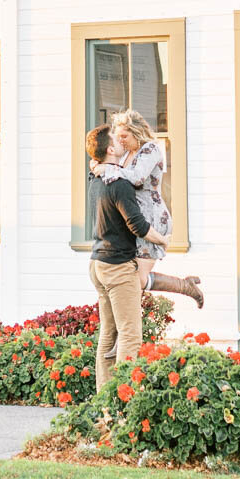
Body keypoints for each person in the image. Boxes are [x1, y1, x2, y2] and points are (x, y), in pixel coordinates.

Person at [85, 124, 170, 387]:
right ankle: (124, 401)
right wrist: (163, 239)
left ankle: (105, 402)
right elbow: (138, 226)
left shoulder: (98, 179)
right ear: (110, 149)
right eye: (117, 139)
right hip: (118, 266)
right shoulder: (119, 183)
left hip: (98, 263)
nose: (122, 142)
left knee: (108, 336)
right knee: (130, 336)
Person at [93, 109, 204, 309]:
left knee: (136, 281)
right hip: (134, 220)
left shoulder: (150, 149)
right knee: (133, 279)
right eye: (118, 137)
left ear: (136, 132)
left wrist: (107, 169)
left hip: (152, 220)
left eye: (124, 136)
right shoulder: (127, 152)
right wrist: (100, 165)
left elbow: (136, 177)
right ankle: (184, 286)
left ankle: (185, 287)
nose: (121, 141)